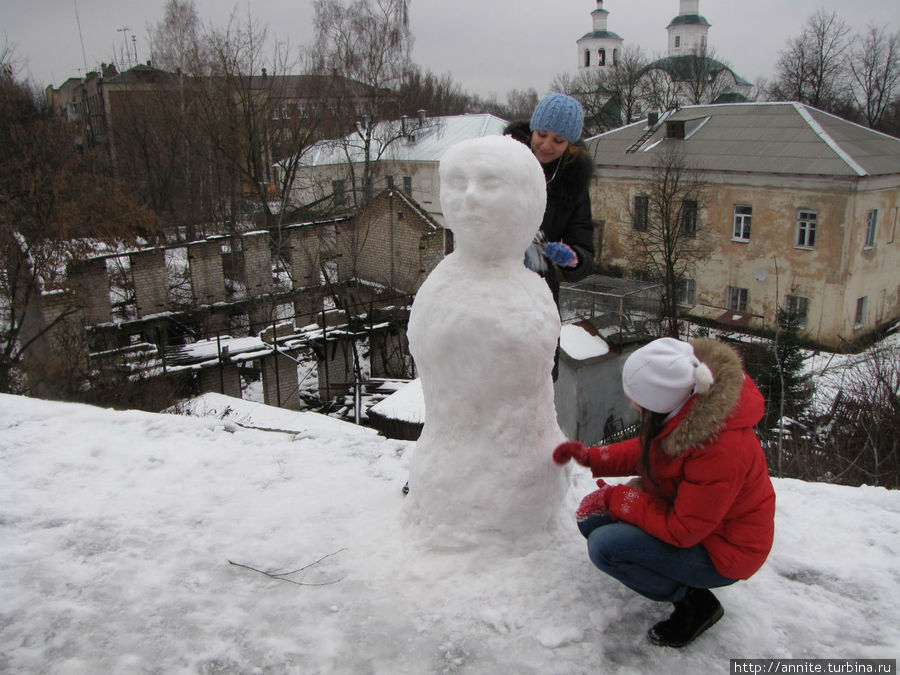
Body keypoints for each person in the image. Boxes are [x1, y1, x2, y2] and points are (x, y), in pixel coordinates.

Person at [552, 337, 776, 648]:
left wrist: (619, 499)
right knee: (591, 522)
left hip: (724, 550)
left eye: (637, 400)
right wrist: (592, 456)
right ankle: (667, 572)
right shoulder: (688, 405)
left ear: (660, 400)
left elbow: (683, 530)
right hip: (695, 519)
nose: (632, 404)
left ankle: (696, 605)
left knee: (605, 546)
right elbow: (653, 449)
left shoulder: (719, 450)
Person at [504, 93, 595, 308]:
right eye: (542, 134)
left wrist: (574, 260)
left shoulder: (573, 184)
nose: (546, 145)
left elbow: (583, 246)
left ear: (570, 144)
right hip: (493, 277)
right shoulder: (505, 159)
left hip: (538, 288)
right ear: (532, 130)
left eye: (558, 140)